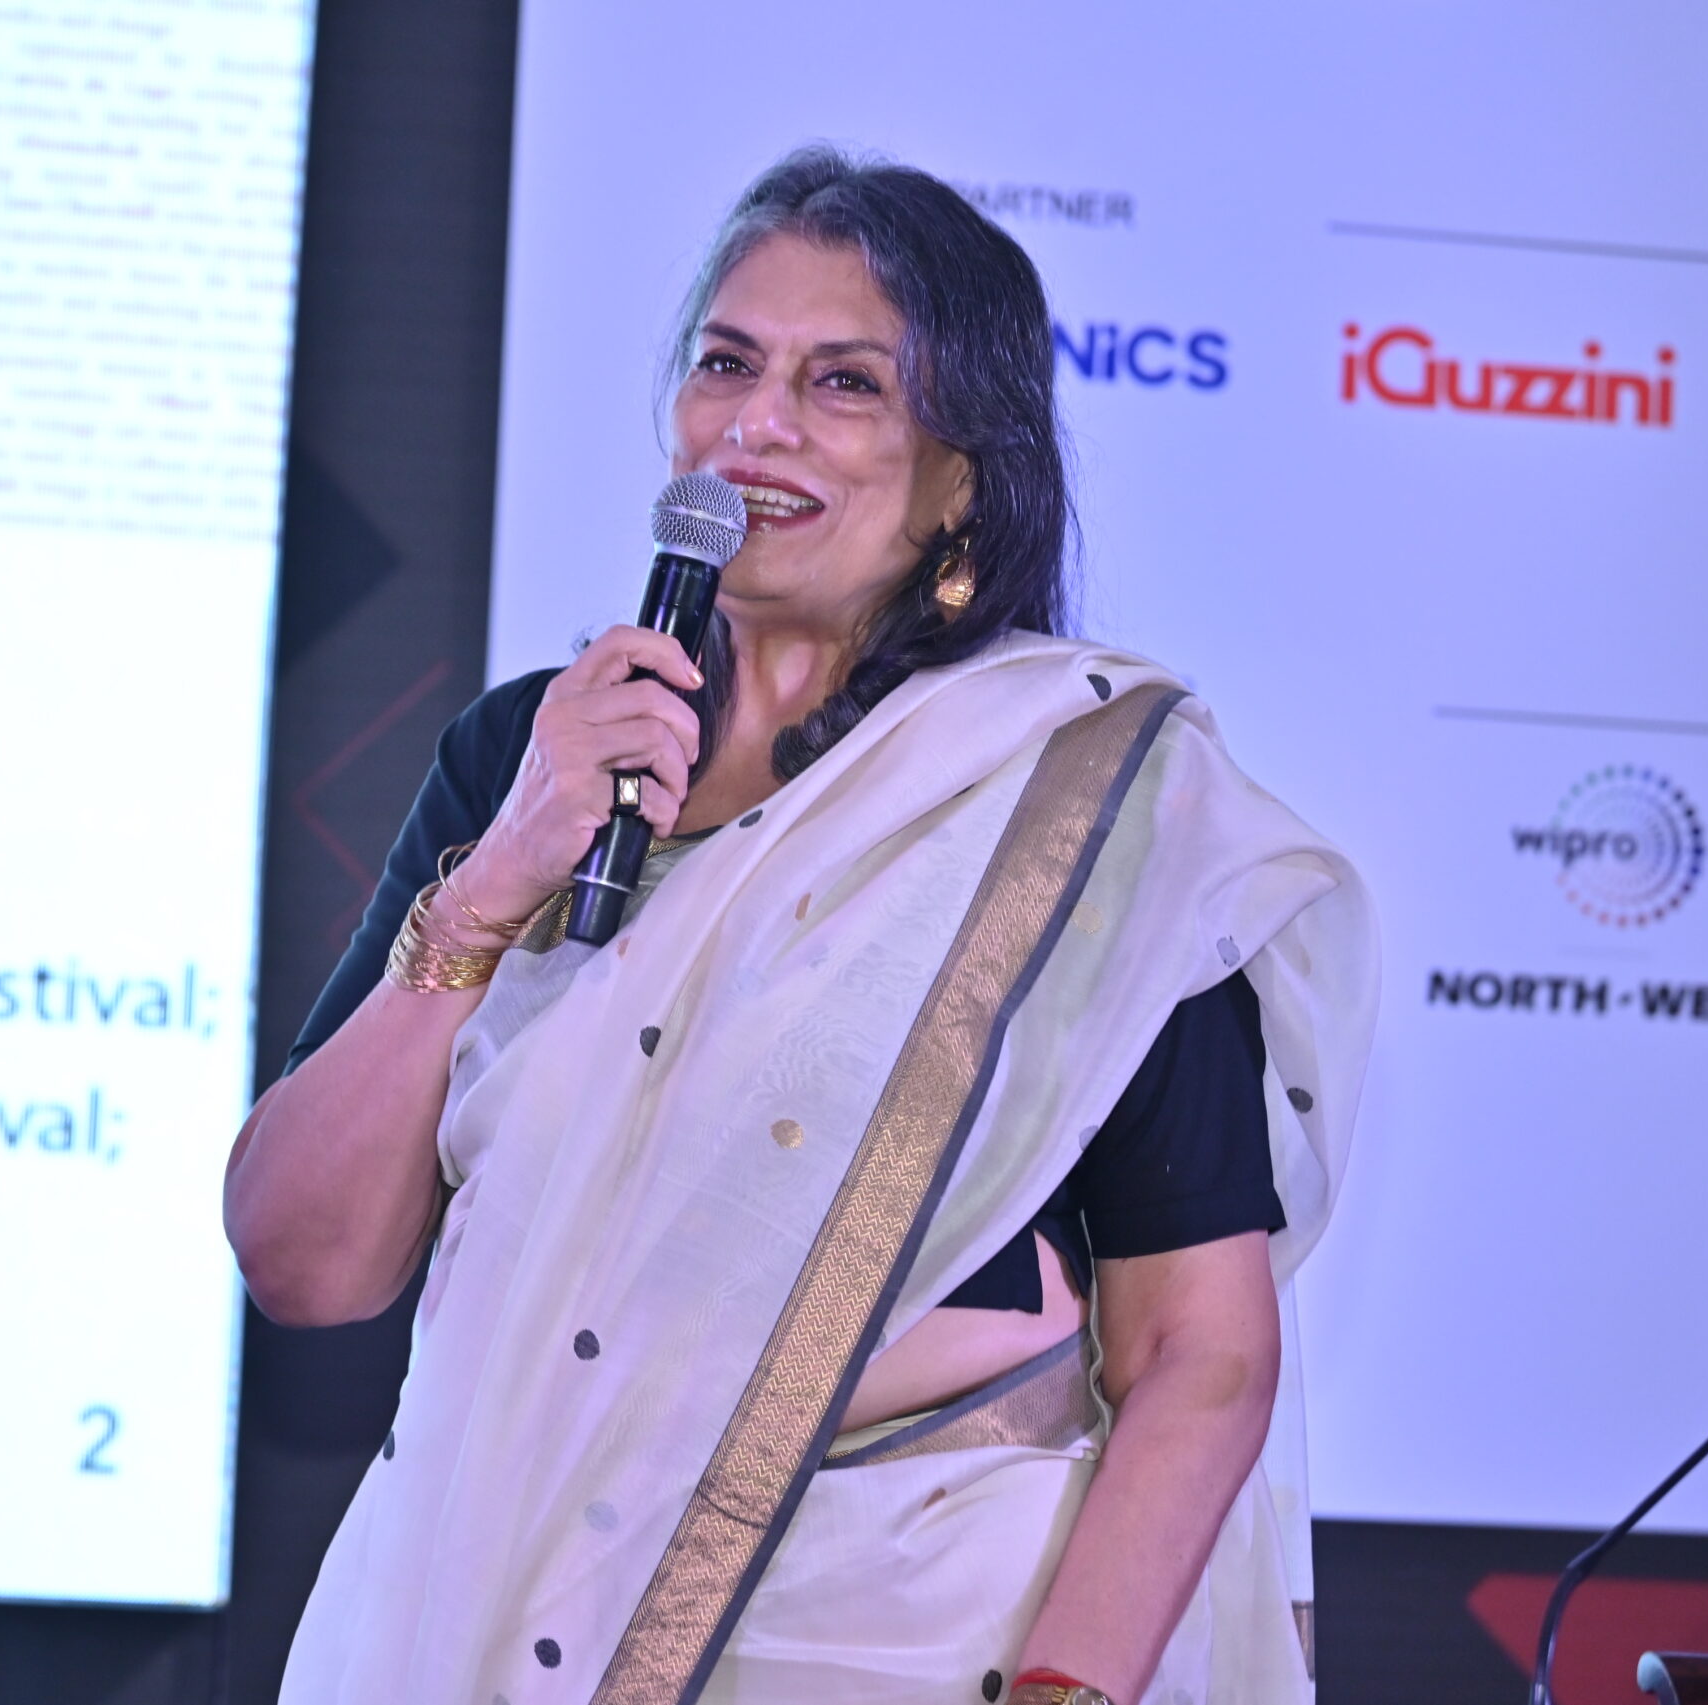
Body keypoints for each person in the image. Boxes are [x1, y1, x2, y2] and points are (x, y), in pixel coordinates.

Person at [225, 147, 1376, 1705]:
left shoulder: (1073, 809)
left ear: (962, 476)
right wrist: (495, 882)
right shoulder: (532, 757)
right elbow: (303, 1260)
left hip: (907, 1639)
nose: (755, 424)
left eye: (843, 383)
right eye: (726, 363)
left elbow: (1201, 1351)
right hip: (484, 1614)